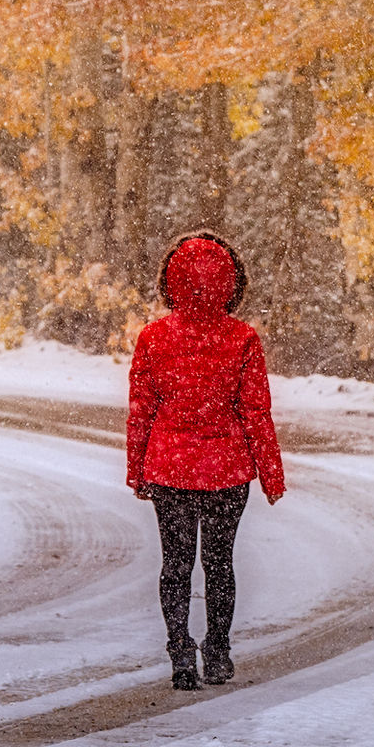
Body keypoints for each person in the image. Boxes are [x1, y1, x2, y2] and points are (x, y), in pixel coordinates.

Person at [125, 229, 286, 690]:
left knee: (175, 563)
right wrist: (271, 476)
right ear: (232, 282)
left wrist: (138, 470)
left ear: (169, 281)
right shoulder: (242, 340)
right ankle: (217, 650)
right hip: (227, 470)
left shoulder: (153, 339)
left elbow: (142, 412)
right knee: (219, 562)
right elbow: (256, 411)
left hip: (170, 468)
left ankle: (180, 653)